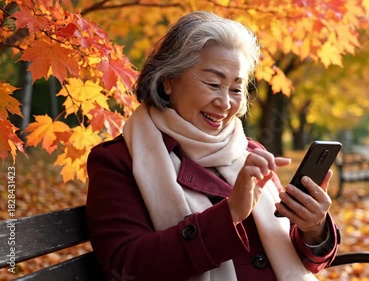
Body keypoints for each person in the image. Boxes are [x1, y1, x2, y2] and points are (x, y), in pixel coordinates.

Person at [86, 11, 340, 281]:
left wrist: (313, 228)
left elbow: (294, 255)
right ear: (168, 80)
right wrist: (229, 213)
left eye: (236, 89)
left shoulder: (249, 151)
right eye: (214, 84)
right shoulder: (118, 160)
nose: (226, 103)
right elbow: (127, 266)